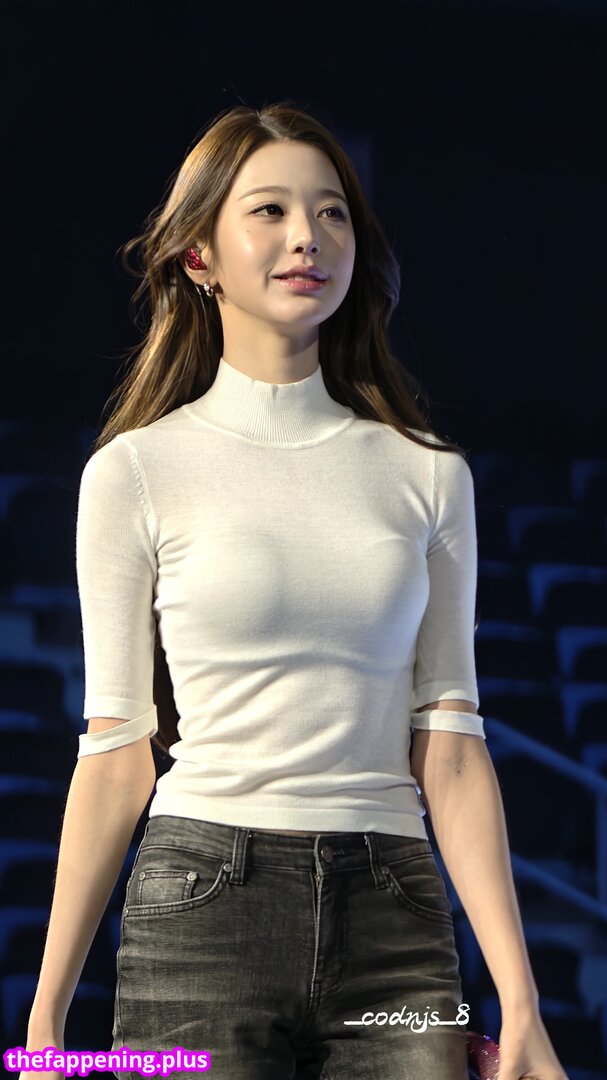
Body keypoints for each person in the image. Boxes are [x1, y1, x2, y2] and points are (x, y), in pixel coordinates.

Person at [22, 101, 568, 1080]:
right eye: (269, 210)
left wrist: (520, 1000)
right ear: (199, 255)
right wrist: (48, 1012)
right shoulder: (136, 471)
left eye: (331, 212)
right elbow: (114, 754)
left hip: (394, 909)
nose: (307, 236)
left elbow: (449, 746)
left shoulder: (427, 473)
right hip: (200, 905)